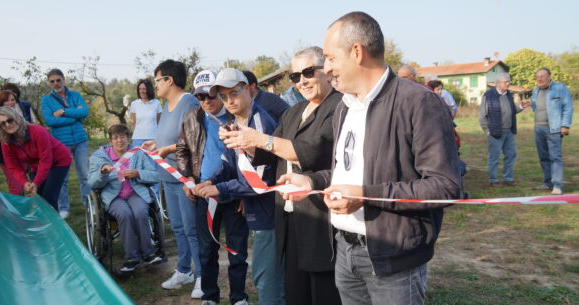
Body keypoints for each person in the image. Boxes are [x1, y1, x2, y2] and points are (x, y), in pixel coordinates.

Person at [278, 12, 460, 305]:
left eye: (330, 58)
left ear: (357, 52)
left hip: (394, 261)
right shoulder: (345, 107)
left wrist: (366, 196)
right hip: (344, 252)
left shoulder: (418, 102)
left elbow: (445, 186)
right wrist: (310, 181)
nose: (327, 68)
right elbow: (345, 175)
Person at [221, 47, 343, 305]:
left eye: (309, 72)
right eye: (295, 76)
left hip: (321, 218)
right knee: (295, 290)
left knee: (322, 292)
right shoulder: (294, 112)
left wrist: (260, 139)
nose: (302, 81)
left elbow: (311, 153)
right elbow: (269, 154)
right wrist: (241, 140)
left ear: (327, 71)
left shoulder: (340, 107)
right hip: (289, 219)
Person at [194, 68, 284, 305]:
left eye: (233, 93)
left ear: (248, 88)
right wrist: (210, 181)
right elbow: (227, 163)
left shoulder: (259, 123)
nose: (229, 101)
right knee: (265, 277)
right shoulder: (235, 123)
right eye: (223, 97)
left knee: (268, 280)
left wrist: (220, 189)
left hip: (270, 214)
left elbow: (260, 181)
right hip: (258, 213)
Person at [175, 70, 249, 305]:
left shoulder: (236, 117)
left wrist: (244, 192)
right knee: (207, 250)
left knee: (237, 250)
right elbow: (181, 150)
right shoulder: (191, 118)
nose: (206, 101)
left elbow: (246, 159)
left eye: (210, 95)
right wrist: (188, 179)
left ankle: (238, 297)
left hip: (233, 191)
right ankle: (210, 296)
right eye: (200, 96)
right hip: (204, 193)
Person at [141, 59, 202, 298]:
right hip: (167, 176)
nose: (155, 85)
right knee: (177, 227)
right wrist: (156, 144)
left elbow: (194, 139)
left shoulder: (189, 103)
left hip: (184, 178)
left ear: (169, 80)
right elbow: (170, 137)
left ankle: (202, 277)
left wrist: (167, 149)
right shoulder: (165, 106)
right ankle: (184, 270)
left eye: (157, 80)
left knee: (192, 229)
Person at [88, 124, 163, 273]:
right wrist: (102, 173)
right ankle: (132, 257)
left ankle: (148, 254)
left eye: (122, 137)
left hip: (135, 193)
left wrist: (138, 173)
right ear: (110, 141)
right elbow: (92, 182)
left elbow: (155, 175)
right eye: (115, 138)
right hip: (113, 196)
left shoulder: (138, 154)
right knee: (125, 214)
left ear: (128, 139)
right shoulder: (99, 157)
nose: (119, 141)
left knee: (141, 212)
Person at [0, 106, 71, 211]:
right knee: (38, 197)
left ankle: (54, 225)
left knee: (49, 197)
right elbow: (13, 166)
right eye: (3, 123)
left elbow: (46, 160)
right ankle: (43, 222)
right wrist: (25, 182)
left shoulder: (37, 131)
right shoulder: (6, 142)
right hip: (36, 164)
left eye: (9, 120)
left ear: (16, 118)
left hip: (59, 160)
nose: (8, 125)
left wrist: (36, 182)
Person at [41, 68, 90, 219]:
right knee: (63, 178)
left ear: (64, 79)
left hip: (80, 140)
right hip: (61, 143)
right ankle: (63, 207)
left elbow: (84, 112)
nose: (56, 83)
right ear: (49, 83)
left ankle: (88, 203)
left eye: (58, 80)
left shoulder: (75, 95)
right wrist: (75, 115)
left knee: (85, 175)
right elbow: (50, 121)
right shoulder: (46, 100)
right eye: (52, 81)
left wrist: (63, 112)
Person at [478, 73, 529, 187]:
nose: (508, 83)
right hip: (495, 132)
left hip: (509, 131)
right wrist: (487, 130)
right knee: (494, 157)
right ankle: (493, 180)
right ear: (498, 83)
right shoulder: (488, 95)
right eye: (506, 81)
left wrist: (521, 107)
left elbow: (512, 110)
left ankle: (508, 178)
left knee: (511, 155)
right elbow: (482, 115)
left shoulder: (508, 95)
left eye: (509, 81)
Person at [529, 67, 573, 195]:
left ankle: (557, 185)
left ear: (549, 77)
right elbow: (536, 106)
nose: (540, 79)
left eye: (542, 76)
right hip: (538, 128)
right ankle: (547, 183)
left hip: (553, 128)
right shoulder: (536, 90)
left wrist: (565, 125)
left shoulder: (560, 88)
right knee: (543, 157)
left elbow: (568, 107)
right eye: (538, 76)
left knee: (555, 157)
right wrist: (529, 104)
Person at [0, 89, 35, 195]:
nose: (10, 103)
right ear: (1, 103)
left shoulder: (20, 114)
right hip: (8, 156)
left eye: (12, 100)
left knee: (28, 183)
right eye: (6, 101)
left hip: (23, 154)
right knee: (16, 186)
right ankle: (18, 210)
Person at [130, 79, 162, 147]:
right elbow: (134, 123)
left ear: (149, 89)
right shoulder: (134, 104)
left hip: (153, 138)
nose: (141, 91)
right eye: (140, 89)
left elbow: (159, 122)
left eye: (144, 89)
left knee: (153, 158)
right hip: (137, 139)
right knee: (138, 157)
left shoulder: (156, 103)